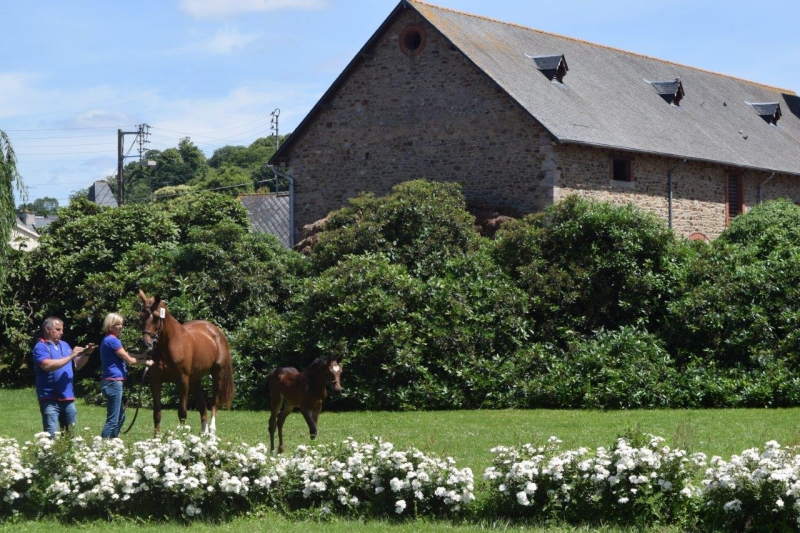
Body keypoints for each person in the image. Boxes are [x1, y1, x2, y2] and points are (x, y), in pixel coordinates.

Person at [32, 316, 97, 436]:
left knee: (70, 436)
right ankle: (49, 455)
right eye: (57, 329)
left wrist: (87, 354)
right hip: (49, 399)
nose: (61, 332)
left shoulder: (65, 345)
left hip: (68, 398)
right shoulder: (40, 347)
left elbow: (77, 365)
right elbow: (46, 365)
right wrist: (71, 356)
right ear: (47, 329)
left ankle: (68, 455)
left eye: (62, 329)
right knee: (50, 436)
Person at [99, 312, 153, 438]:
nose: (121, 327)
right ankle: (103, 446)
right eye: (117, 324)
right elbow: (129, 360)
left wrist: (142, 355)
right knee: (113, 420)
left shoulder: (109, 339)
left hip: (110, 382)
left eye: (121, 324)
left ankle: (113, 442)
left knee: (120, 418)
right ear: (110, 325)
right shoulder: (112, 341)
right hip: (113, 382)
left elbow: (126, 354)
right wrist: (146, 362)